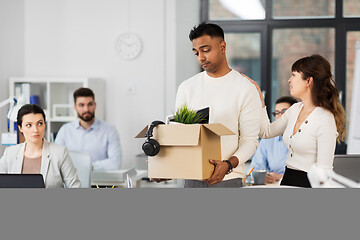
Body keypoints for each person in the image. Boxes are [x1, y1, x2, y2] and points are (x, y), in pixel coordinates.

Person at [152, 22, 262, 187]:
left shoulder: (245, 88)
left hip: (228, 180)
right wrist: (164, 164)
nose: (200, 58)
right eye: (196, 52)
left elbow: (250, 140)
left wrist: (228, 165)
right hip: (191, 179)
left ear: (222, 47)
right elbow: (180, 136)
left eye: (205, 50)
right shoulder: (187, 88)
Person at [244, 54, 346, 188]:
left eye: (294, 75)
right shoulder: (294, 110)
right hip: (288, 179)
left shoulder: (325, 119)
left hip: (309, 184)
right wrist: (259, 99)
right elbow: (266, 132)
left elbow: (324, 172)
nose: (289, 80)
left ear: (308, 81)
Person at [0, 104, 80, 188]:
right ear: (20, 128)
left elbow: (75, 187)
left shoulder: (60, 153)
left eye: (40, 123)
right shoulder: (10, 153)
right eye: (29, 125)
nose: (35, 130)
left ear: (44, 125)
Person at [55, 88, 121, 170]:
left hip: (102, 181)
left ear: (95, 105)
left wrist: (87, 167)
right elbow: (57, 161)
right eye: (81, 105)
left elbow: (115, 163)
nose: (86, 109)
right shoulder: (65, 131)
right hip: (71, 181)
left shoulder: (109, 130)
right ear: (75, 107)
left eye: (90, 104)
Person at [250, 96, 298, 184]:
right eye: (276, 113)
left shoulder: (304, 138)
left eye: (284, 112)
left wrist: (282, 177)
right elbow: (255, 169)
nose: (280, 116)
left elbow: (312, 174)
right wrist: (263, 177)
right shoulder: (268, 139)